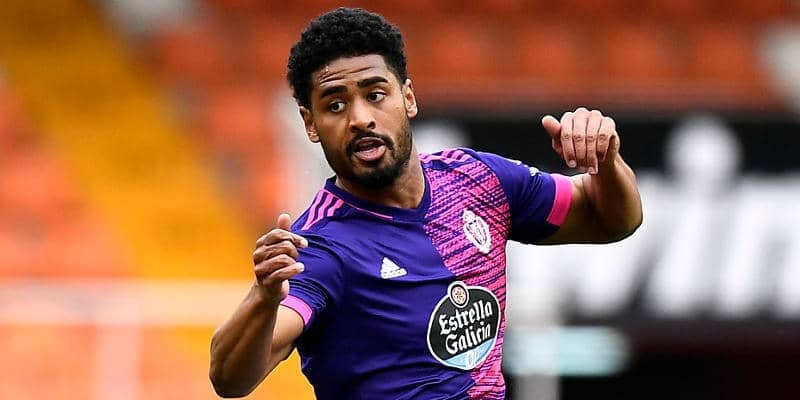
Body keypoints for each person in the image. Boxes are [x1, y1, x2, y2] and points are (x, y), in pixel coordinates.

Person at [209, 7, 642, 400]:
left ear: (408, 98)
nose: (360, 118)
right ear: (310, 124)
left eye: (375, 95)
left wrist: (606, 160)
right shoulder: (322, 247)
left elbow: (611, 219)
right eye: (336, 105)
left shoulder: (479, 181)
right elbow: (229, 379)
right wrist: (263, 297)